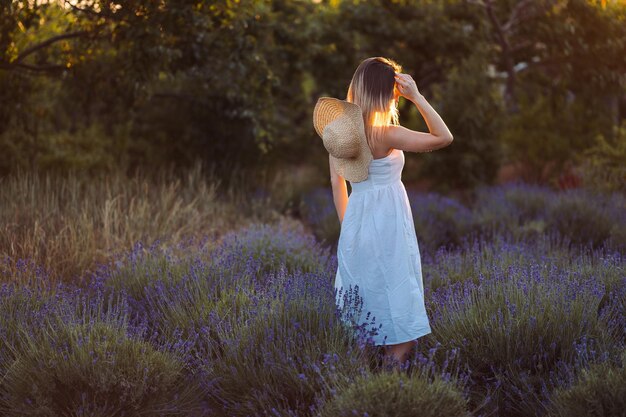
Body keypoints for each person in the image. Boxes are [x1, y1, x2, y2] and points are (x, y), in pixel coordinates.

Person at [327, 56, 454, 370]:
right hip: (388, 225)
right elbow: (443, 137)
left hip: (356, 223)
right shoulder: (386, 133)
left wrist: (348, 228)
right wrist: (417, 96)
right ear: (385, 94)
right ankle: (387, 383)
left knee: (362, 306)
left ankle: (358, 385)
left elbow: (336, 181)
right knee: (400, 313)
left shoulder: (341, 132)